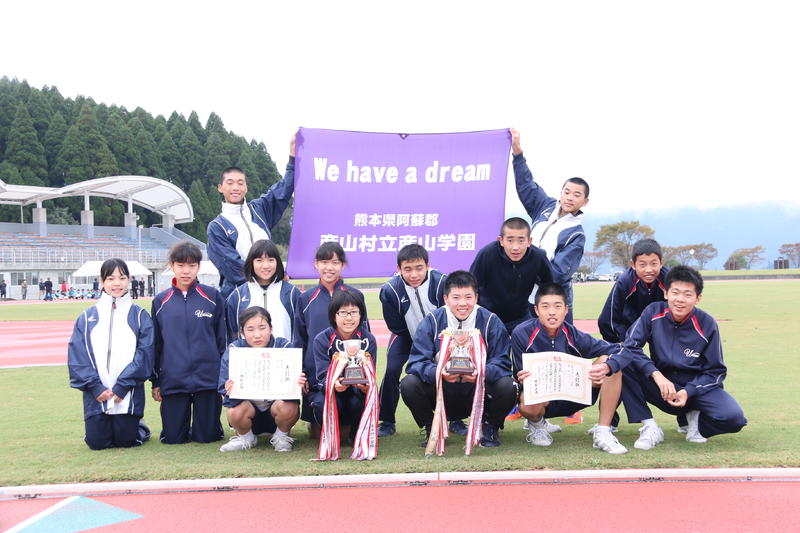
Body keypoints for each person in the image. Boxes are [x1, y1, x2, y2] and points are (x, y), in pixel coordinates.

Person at [601, 265, 747, 450]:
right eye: (675, 292)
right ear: (666, 293)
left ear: (698, 298)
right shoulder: (653, 312)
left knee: (734, 419)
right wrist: (656, 375)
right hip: (660, 387)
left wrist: (689, 391)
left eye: (687, 294)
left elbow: (715, 372)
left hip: (693, 389)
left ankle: (697, 422)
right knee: (622, 361)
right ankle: (650, 427)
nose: (680, 299)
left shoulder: (707, 324)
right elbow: (630, 347)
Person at [401, 270, 518, 451]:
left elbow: (502, 363)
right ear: (446, 298)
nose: (462, 303)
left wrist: (480, 373)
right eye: (456, 297)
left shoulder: (490, 321)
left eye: (468, 297)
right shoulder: (432, 321)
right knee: (408, 384)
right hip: (443, 390)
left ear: (476, 297)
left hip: (478, 390)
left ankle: (489, 426)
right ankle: (432, 427)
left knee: (509, 386)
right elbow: (416, 363)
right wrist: (439, 373)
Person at [511, 282, 627, 454]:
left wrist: (605, 366)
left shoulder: (574, 335)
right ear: (536, 310)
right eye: (545, 306)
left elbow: (617, 350)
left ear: (566, 309)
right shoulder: (521, 333)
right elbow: (519, 376)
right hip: (541, 399)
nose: (552, 312)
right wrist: (523, 377)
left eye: (558, 306)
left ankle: (603, 431)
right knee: (527, 400)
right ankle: (537, 424)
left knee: (610, 362)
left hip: (573, 394)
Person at [67, 258, 154, 450]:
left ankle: (139, 427)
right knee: (97, 443)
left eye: (122, 278)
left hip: (127, 393)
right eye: (111, 278)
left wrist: (123, 386)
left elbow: (145, 354)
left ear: (128, 280)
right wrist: (95, 387)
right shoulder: (87, 317)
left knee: (127, 442)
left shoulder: (139, 316)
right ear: (102, 281)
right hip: (98, 394)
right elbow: (78, 355)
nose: (117, 283)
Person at [151, 241, 227, 444]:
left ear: (198, 267)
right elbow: (156, 344)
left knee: (207, 437)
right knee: (173, 438)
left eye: (192, 265)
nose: (186, 271)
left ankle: (210, 426)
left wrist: (222, 377)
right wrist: (156, 381)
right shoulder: (160, 301)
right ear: (172, 266)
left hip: (207, 379)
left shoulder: (213, 297)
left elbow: (222, 340)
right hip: (174, 379)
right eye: (181, 265)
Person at [511, 129, 589, 324]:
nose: (570, 198)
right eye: (567, 192)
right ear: (561, 193)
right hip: (525, 297)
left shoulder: (576, 235)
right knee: (523, 339)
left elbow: (557, 274)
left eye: (577, 195)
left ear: (585, 201)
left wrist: (526, 269)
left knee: (557, 343)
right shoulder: (545, 206)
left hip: (553, 302)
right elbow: (526, 186)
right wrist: (518, 153)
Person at [293, 241, 369, 436]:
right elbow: (299, 339)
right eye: (324, 262)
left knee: (347, 428)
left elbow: (365, 336)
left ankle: (355, 428)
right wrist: (301, 372)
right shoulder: (305, 298)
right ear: (316, 264)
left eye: (335, 262)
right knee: (317, 434)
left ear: (342, 265)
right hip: (318, 375)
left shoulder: (355, 296)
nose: (329, 267)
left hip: (351, 374)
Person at [207, 133, 296, 298]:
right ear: (220, 188)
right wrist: (270, 277)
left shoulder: (259, 209)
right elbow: (231, 266)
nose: (235, 188)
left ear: (246, 187)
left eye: (240, 183)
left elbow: (283, 190)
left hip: (271, 292)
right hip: (238, 297)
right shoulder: (217, 227)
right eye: (230, 183)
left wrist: (293, 158)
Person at [377, 244, 447, 437]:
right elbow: (395, 325)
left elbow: (450, 315)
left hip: (441, 337)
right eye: (407, 269)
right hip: (406, 335)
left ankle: (455, 419)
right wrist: (419, 342)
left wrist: (433, 343)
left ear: (428, 265)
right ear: (399, 269)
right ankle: (387, 420)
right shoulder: (390, 290)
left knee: (448, 368)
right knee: (391, 370)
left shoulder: (441, 283)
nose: (414, 274)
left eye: (419, 268)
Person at [218, 306, 304, 452]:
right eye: (250, 329)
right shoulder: (235, 350)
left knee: (290, 406)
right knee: (234, 411)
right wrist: (228, 388)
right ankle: (246, 438)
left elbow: (297, 383)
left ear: (271, 329)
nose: (257, 335)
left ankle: (281, 436)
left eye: (262, 328)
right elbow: (222, 384)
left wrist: (300, 382)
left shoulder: (284, 347)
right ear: (242, 332)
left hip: (276, 409)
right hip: (248, 410)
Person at [311, 290, 379, 460]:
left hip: (357, 391)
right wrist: (334, 383)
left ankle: (357, 434)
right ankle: (332, 433)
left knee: (362, 399)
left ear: (361, 315)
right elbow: (321, 377)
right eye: (343, 312)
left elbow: (371, 373)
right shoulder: (322, 339)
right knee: (320, 402)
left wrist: (366, 386)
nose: (349, 318)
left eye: (354, 312)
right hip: (333, 392)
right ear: (334, 316)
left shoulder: (368, 340)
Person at [469, 217, 553, 335]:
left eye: (521, 240)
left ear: (529, 241)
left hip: (521, 316)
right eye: (510, 240)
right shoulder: (487, 254)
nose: (515, 247)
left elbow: (549, 287)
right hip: (489, 316)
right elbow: (471, 286)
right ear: (501, 240)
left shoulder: (538, 257)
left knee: (532, 343)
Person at [226, 239, 300, 343]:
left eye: (271, 260)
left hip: (284, 353)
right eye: (259, 260)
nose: (265, 266)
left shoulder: (292, 293)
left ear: (277, 262)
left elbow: (300, 333)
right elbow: (230, 335)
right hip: (247, 354)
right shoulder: (237, 296)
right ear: (251, 263)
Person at [599, 238, 669, 344]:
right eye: (642, 264)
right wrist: (619, 341)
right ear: (633, 264)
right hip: (630, 323)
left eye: (654, 264)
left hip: (659, 323)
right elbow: (608, 317)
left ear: (661, 263)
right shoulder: (625, 281)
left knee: (665, 351)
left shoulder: (669, 280)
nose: (648, 270)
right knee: (626, 350)